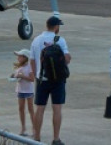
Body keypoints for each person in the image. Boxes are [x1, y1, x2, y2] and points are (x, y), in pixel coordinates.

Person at [31, 15, 71, 145]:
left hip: (42, 78)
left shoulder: (36, 40)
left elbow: (32, 60)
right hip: (57, 79)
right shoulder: (60, 40)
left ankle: (36, 137)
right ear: (55, 27)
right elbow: (66, 58)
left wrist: (36, 74)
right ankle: (56, 138)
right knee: (57, 108)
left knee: (40, 108)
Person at [11, 48, 35, 137]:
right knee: (21, 108)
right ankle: (23, 127)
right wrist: (14, 76)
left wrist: (23, 76)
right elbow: (16, 76)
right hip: (20, 89)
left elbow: (32, 79)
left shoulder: (29, 67)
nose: (18, 58)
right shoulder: (19, 67)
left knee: (30, 109)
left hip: (28, 90)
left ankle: (34, 128)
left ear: (25, 57)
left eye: (19, 56)